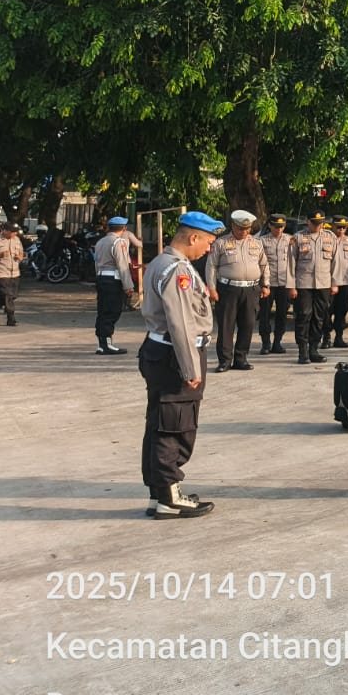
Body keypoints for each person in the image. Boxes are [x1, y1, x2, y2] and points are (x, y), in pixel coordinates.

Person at [138, 210, 226, 518]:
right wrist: (190, 368)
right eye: (208, 242)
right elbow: (181, 323)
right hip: (175, 354)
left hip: (160, 350)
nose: (209, 249)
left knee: (160, 423)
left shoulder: (162, 262)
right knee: (176, 426)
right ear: (193, 237)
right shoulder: (177, 270)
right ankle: (169, 496)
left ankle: (159, 493)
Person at [208, 210, 268, 371]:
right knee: (226, 326)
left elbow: (264, 265)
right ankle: (225, 361)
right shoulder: (221, 243)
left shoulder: (256, 243)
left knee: (248, 324)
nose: (244, 232)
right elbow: (211, 266)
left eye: (247, 229)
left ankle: (241, 359)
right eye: (241, 228)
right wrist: (212, 288)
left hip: (251, 289)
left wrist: (266, 284)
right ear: (233, 226)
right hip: (228, 289)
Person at [289, 211, 335, 364]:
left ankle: (313, 349)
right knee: (303, 315)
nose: (318, 226)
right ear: (307, 221)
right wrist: (291, 286)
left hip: (323, 284)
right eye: (315, 223)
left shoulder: (330, 237)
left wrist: (334, 283)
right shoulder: (297, 238)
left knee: (319, 317)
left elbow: (335, 263)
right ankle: (302, 351)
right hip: (303, 284)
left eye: (320, 223)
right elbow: (290, 263)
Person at [91, 215, 138, 355]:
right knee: (112, 311)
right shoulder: (118, 242)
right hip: (113, 280)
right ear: (124, 229)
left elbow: (96, 262)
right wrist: (128, 286)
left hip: (101, 278)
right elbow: (122, 265)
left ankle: (102, 343)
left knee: (102, 311)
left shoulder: (100, 242)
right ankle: (106, 344)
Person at [256, 213, 293, 355]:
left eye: (281, 227)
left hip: (284, 283)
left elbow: (294, 262)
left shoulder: (290, 240)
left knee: (282, 314)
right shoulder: (262, 241)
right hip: (267, 283)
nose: (279, 229)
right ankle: (266, 343)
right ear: (270, 225)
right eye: (276, 226)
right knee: (264, 314)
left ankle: (277, 342)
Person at [326, 217, 348, 349]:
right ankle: (326, 337)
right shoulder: (326, 240)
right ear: (332, 226)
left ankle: (339, 337)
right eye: (338, 227)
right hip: (328, 282)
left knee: (342, 311)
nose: (341, 230)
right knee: (326, 312)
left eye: (344, 227)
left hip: (345, 281)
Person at [0, 219, 25, 326]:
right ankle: (11, 318)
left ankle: (2, 304)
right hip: (2, 272)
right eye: (13, 232)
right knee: (8, 295)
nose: (15, 234)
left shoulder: (16, 240)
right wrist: (0, 255)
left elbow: (21, 252)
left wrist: (20, 257)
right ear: (5, 231)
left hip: (15, 273)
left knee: (13, 295)